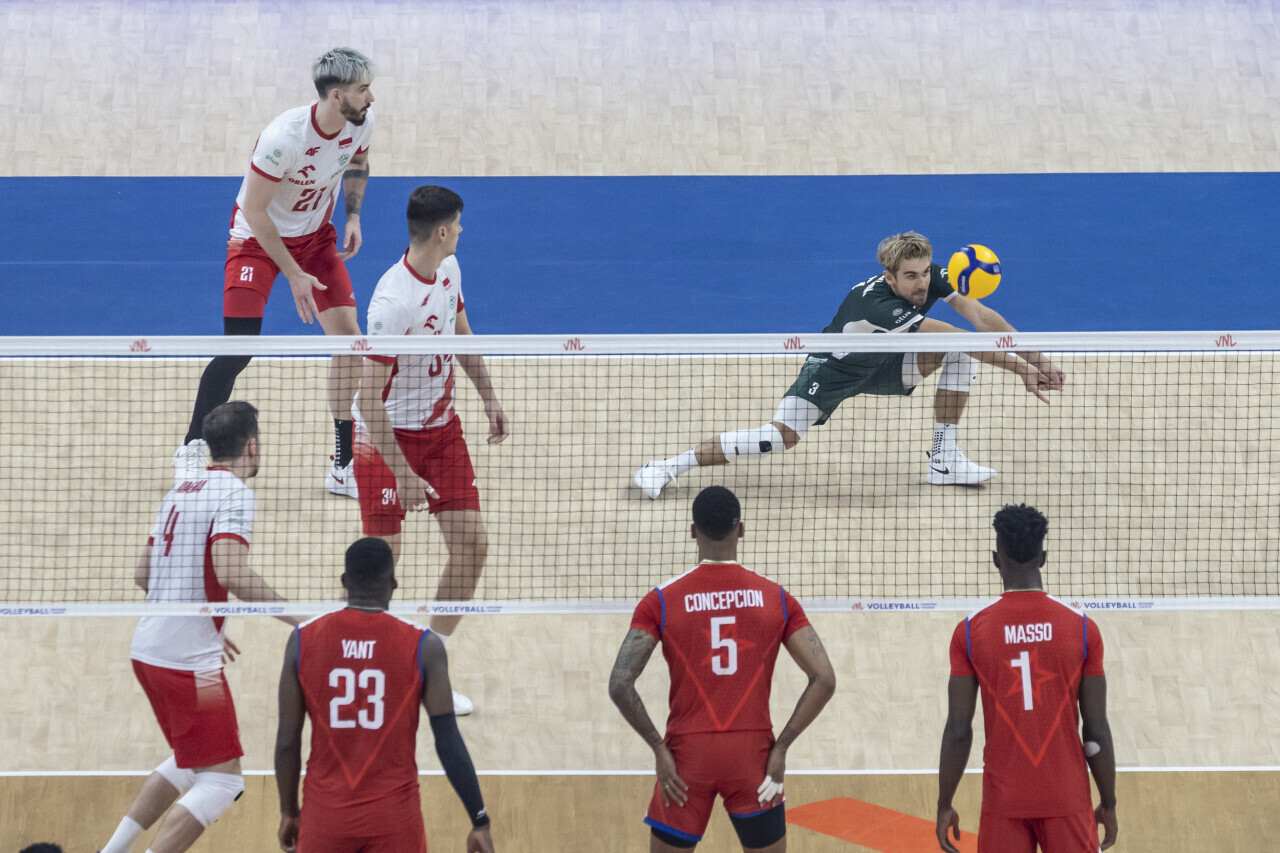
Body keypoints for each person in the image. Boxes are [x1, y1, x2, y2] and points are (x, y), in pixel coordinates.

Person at [635, 231, 1067, 496]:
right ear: (889, 275)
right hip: (833, 370)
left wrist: (1039, 360)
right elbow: (955, 335)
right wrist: (1022, 371)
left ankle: (944, 460)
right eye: (910, 276)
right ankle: (666, 467)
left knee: (960, 355)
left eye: (924, 273)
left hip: (888, 361)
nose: (921, 283)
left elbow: (980, 316)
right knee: (777, 439)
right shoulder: (877, 305)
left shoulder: (930, 276)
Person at [174, 47, 378, 499]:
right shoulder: (282, 139)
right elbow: (255, 210)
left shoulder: (360, 121)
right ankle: (191, 447)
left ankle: (342, 464)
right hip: (257, 241)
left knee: (351, 343)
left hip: (316, 237)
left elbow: (358, 163)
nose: (371, 97)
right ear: (337, 94)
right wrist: (293, 274)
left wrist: (353, 216)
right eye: (363, 89)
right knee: (239, 349)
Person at [99, 402, 299, 853]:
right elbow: (230, 572)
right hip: (186, 664)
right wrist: (302, 617)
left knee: (193, 761)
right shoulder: (234, 494)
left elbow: (144, 575)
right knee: (224, 782)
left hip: (154, 652)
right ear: (252, 446)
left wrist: (205, 620)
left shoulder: (180, 491)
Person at [609, 486, 837, 852]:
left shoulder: (660, 601)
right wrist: (781, 748)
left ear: (693, 531)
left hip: (685, 761)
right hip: (753, 759)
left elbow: (620, 684)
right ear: (740, 529)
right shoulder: (776, 599)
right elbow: (824, 679)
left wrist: (659, 750)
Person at [354, 185, 509, 715]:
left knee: (473, 546)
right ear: (441, 231)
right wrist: (401, 472)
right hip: (384, 438)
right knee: (380, 565)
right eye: (458, 225)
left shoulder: (450, 270)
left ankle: (426, 664)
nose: (462, 231)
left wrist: (488, 397)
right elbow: (367, 400)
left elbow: (460, 333)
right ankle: (373, 670)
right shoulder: (392, 303)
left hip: (441, 431)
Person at [275, 537, 495, 853]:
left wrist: (289, 811)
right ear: (393, 583)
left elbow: (287, 741)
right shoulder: (425, 646)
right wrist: (479, 819)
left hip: (325, 819)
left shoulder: (302, 640)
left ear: (344, 582)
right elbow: (448, 742)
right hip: (394, 821)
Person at [936, 504, 1118, 853]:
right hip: (1067, 798)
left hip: (1004, 802)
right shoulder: (1082, 630)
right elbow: (1096, 731)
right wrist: (1108, 802)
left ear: (996, 560)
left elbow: (958, 730)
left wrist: (945, 803)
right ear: (1043, 558)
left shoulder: (970, 633)